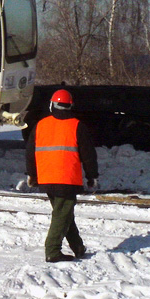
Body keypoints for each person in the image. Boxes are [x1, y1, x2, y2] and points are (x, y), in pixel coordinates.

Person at [25, 88, 98, 263]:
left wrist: (32, 175)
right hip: (67, 179)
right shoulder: (77, 126)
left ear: (52, 105)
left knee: (63, 213)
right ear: (70, 106)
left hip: (46, 178)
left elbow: (30, 153)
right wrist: (92, 176)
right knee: (62, 214)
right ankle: (52, 250)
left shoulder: (40, 125)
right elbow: (89, 155)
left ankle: (78, 247)